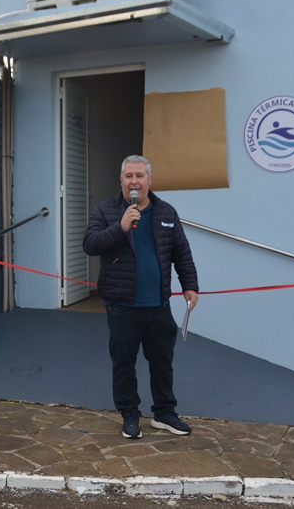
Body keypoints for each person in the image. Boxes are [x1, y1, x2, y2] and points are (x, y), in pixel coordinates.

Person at [83, 155, 199, 439]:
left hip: (158, 305)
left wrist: (190, 285)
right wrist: (120, 227)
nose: (134, 181)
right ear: (121, 180)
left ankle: (164, 413)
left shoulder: (166, 213)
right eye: (129, 176)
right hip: (122, 306)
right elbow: (90, 244)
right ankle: (130, 414)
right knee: (124, 364)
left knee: (162, 362)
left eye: (140, 175)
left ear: (150, 180)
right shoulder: (106, 210)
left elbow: (181, 253)